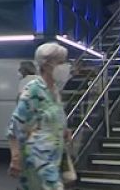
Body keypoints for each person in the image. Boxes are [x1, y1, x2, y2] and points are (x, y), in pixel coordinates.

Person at [7, 43, 73, 190]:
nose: (65, 67)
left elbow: (52, 120)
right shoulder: (34, 90)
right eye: (60, 62)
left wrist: (64, 131)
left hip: (54, 159)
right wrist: (16, 157)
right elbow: (15, 126)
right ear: (46, 64)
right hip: (38, 160)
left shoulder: (55, 91)